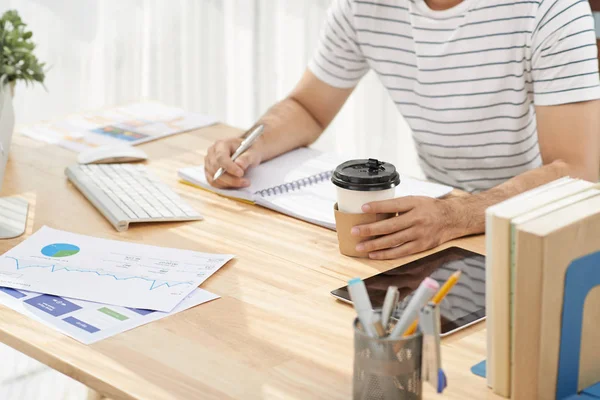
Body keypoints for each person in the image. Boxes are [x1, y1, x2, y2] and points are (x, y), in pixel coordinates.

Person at [204, 0, 600, 259]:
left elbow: (578, 169)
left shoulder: (551, 8)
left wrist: (456, 215)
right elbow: (307, 107)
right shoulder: (361, 7)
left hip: (544, 227)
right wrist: (250, 143)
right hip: (441, 221)